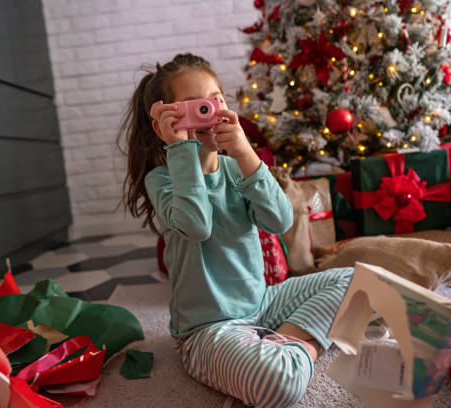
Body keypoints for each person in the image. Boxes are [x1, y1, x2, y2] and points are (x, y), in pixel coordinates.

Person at [119, 53, 353, 408]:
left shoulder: (235, 168)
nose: (208, 115)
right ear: (164, 124)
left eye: (214, 102)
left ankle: (288, 341)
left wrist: (245, 154)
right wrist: (181, 149)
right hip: (208, 329)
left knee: (353, 281)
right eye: (193, 108)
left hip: (262, 303)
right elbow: (196, 225)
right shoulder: (162, 180)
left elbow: (279, 221)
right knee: (279, 385)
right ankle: (300, 347)